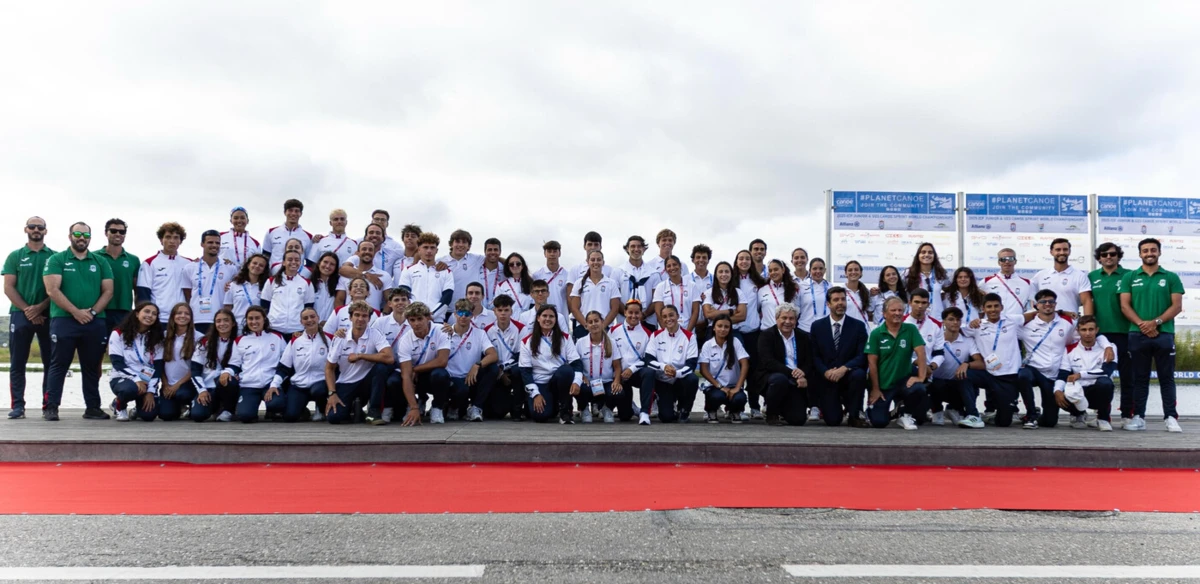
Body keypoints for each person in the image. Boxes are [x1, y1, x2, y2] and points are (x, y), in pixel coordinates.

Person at [41, 222, 114, 421]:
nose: (82, 238)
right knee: (59, 365)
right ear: (70, 236)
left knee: (91, 367)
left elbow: (108, 291)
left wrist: (92, 312)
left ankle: (92, 408)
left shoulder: (100, 261)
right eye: (78, 234)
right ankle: (51, 407)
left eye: (86, 235)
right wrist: (75, 312)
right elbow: (52, 290)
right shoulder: (57, 259)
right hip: (64, 320)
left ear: (90, 238)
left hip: (94, 320)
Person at [1118, 238, 1185, 432]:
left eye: (1153, 250)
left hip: (1164, 334)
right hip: (1137, 334)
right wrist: (1142, 324)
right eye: (1145, 250)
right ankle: (1139, 417)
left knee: (1167, 378)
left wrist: (1155, 323)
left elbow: (1177, 306)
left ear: (1159, 252)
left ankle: (1170, 417)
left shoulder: (1171, 277)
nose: (1149, 253)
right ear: (1140, 254)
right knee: (1140, 378)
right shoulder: (1129, 277)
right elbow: (1125, 306)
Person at [323, 300, 392, 425]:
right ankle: (354, 407)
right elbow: (329, 368)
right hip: (346, 382)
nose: (360, 319)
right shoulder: (340, 337)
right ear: (350, 317)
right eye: (357, 315)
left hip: (366, 382)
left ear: (369, 319)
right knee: (334, 418)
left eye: (364, 316)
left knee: (381, 368)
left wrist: (360, 356)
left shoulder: (375, 333)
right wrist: (332, 393)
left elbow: (389, 357)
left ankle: (373, 411)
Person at [1017, 289, 1077, 430]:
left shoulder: (1068, 322)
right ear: (1036, 305)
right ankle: (1031, 415)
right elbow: (1003, 324)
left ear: (1056, 304)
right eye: (1043, 301)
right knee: (1023, 375)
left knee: (1050, 422)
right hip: (1034, 369)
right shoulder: (1025, 324)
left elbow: (1088, 333)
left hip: (1055, 374)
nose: (1047, 304)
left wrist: (1107, 346)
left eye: (1051, 301)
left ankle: (1040, 416)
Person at [809, 287, 869, 428]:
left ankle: (854, 415)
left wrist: (844, 368)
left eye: (843, 299)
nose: (840, 303)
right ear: (828, 304)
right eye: (836, 300)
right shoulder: (817, 326)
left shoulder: (858, 326)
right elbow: (814, 356)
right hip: (828, 378)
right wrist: (825, 371)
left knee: (859, 374)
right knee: (833, 421)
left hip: (849, 375)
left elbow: (862, 355)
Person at [864, 297, 927, 430]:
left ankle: (905, 414)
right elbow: (872, 363)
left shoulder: (910, 329)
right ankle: (894, 412)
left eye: (900, 310)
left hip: (903, 380)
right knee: (879, 422)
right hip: (883, 384)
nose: (897, 313)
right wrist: (875, 389)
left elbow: (921, 353)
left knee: (919, 389)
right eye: (893, 310)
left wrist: (921, 377)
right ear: (884, 314)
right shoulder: (876, 333)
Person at [962, 293, 1022, 427]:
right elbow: (954, 328)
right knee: (965, 375)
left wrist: (1061, 312)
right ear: (983, 309)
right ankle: (973, 415)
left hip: (1008, 376)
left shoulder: (1013, 321)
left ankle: (995, 415)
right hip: (988, 374)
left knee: (1004, 422)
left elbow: (1034, 315)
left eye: (996, 306)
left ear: (1002, 307)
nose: (993, 309)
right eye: (989, 307)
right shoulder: (977, 326)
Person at [519, 305, 585, 424]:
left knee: (566, 371)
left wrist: (577, 382)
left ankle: (565, 411)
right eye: (544, 316)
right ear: (538, 318)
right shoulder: (526, 342)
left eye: (551, 316)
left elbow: (576, 363)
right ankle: (552, 406)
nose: (548, 319)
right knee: (540, 416)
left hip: (558, 380)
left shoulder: (565, 338)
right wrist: (536, 394)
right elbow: (525, 372)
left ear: (556, 319)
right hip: (540, 383)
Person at [220, 306, 287, 423]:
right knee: (245, 416)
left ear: (264, 319)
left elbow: (285, 363)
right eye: (250, 319)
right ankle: (248, 408)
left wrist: (275, 384)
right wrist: (226, 372)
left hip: (270, 383)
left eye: (257, 318)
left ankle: (272, 410)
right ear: (246, 321)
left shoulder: (277, 337)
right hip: (249, 385)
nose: (254, 322)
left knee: (277, 404)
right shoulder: (240, 340)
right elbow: (235, 364)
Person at [1089, 242, 1132, 421]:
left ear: (1118, 256)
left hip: (1126, 332)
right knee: (1102, 377)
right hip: (1101, 335)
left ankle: (1127, 415)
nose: (1108, 257)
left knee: (1128, 377)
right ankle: (1103, 415)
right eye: (1104, 254)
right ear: (1099, 258)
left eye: (1112, 254)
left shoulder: (1129, 275)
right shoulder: (1091, 276)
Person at [639, 305, 700, 425]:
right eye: (665, 316)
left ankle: (684, 410)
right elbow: (649, 360)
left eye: (671, 315)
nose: (668, 319)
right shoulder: (656, 335)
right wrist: (664, 367)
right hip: (663, 381)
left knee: (692, 379)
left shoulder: (689, 337)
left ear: (677, 316)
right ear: (661, 319)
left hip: (680, 379)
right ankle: (668, 404)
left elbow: (691, 364)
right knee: (666, 417)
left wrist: (677, 373)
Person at [394, 302, 452, 425]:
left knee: (440, 374)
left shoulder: (441, 330)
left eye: (420, 319)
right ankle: (414, 404)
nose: (416, 323)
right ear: (408, 321)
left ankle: (437, 408)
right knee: (395, 381)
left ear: (428, 318)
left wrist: (416, 369)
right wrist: (413, 408)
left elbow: (442, 361)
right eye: (412, 320)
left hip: (432, 373)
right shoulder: (405, 340)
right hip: (416, 377)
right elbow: (406, 375)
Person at [272, 307, 333, 423]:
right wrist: (274, 384)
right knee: (290, 417)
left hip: (320, 382)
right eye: (305, 318)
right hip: (299, 384)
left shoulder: (329, 339)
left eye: (312, 317)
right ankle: (302, 411)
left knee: (318, 390)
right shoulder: (295, 341)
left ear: (318, 318)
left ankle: (321, 409)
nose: (309, 320)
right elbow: (284, 367)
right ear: (301, 322)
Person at [444, 299, 500, 422]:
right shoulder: (445, 332)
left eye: (467, 313)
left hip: (471, 377)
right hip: (452, 377)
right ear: (455, 314)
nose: (463, 317)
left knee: (493, 369)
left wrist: (477, 365)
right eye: (460, 313)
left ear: (472, 315)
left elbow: (493, 355)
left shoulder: (479, 333)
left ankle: (476, 407)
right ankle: (452, 407)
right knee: (461, 390)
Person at [1058, 315, 1117, 432]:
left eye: (1091, 329)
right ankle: (1078, 414)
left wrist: (1080, 374)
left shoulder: (1110, 348)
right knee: (1057, 390)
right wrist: (1057, 391)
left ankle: (1103, 418)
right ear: (1078, 331)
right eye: (1084, 330)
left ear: (1097, 330)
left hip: (1097, 392)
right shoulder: (1069, 349)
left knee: (1105, 382)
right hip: (1079, 392)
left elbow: (1106, 371)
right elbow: (1063, 374)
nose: (1087, 333)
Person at [930, 307, 987, 429]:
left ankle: (954, 409)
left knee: (971, 385)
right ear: (943, 322)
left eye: (958, 320)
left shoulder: (968, 341)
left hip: (957, 383)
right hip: (937, 384)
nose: (955, 322)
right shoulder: (936, 339)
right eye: (951, 319)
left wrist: (967, 364)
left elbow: (981, 363)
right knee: (935, 384)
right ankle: (937, 410)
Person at [106, 302, 163, 422]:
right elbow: (117, 363)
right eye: (146, 311)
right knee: (129, 389)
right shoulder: (118, 333)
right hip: (123, 378)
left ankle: (137, 409)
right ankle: (119, 406)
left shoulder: (157, 337)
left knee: (149, 415)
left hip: (146, 379)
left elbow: (158, 367)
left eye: (154, 314)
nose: (150, 315)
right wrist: (136, 379)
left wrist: (151, 391)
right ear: (137, 314)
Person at [758, 303, 813, 426]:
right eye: (784, 318)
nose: (787, 322)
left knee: (798, 420)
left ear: (796, 320)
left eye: (791, 318)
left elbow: (809, 360)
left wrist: (803, 372)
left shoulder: (803, 336)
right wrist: (794, 374)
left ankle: (783, 409)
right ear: (776, 318)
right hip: (774, 376)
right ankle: (772, 413)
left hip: (797, 379)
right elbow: (768, 362)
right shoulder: (767, 335)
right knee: (779, 379)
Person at [188, 308, 237, 422]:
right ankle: (215, 407)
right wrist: (202, 390)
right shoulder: (204, 342)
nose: (222, 324)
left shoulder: (239, 341)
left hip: (227, 385)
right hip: (208, 387)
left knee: (229, 381)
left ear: (233, 323)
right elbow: (195, 370)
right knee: (198, 415)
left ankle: (229, 409)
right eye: (218, 321)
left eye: (226, 320)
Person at [184, 230, 237, 335]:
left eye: (217, 243)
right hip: (196, 318)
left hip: (220, 319)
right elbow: (187, 294)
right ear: (202, 244)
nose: (214, 245)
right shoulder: (190, 267)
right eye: (210, 242)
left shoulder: (230, 267)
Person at [137, 222, 190, 325]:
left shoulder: (189, 264)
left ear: (180, 241)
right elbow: (143, 293)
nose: (172, 241)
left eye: (176, 238)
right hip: (159, 319)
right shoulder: (149, 263)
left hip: (181, 318)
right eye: (168, 237)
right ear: (161, 240)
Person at [698, 314, 749, 423]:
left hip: (733, 385)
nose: (723, 329)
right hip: (715, 386)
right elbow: (703, 369)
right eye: (719, 326)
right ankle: (711, 410)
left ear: (730, 329)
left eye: (726, 327)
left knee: (740, 398)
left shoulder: (735, 342)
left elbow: (745, 364)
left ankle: (733, 411)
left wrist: (738, 387)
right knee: (717, 397)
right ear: (714, 328)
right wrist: (719, 386)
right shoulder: (708, 345)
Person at [733, 250, 765, 419]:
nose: (744, 261)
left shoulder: (758, 282)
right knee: (736, 370)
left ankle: (754, 406)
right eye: (741, 258)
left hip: (753, 332)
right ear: (736, 261)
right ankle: (735, 408)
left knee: (753, 371)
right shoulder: (731, 280)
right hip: (735, 331)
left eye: (747, 259)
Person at [156, 303, 202, 421]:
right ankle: (180, 408)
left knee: (182, 394)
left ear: (191, 317)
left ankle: (191, 404)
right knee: (166, 415)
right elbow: (160, 364)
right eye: (179, 313)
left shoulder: (198, 337)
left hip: (188, 383)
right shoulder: (164, 336)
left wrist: (177, 385)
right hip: (168, 384)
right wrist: (165, 384)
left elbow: (196, 368)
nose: (183, 316)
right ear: (173, 316)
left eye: (187, 314)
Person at [483, 294, 526, 420]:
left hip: (513, 369)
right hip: (496, 371)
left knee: (518, 371)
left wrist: (505, 369)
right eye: (500, 310)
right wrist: (500, 373)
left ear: (511, 311)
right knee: (496, 413)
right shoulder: (487, 330)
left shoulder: (520, 328)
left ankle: (517, 409)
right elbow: (486, 354)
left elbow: (521, 354)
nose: (503, 314)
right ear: (494, 311)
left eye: (506, 310)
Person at [397, 232, 455, 323]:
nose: (429, 251)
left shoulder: (446, 272)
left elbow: (447, 297)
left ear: (436, 250)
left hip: (436, 320)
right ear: (419, 249)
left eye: (432, 247)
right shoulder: (408, 270)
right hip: (414, 319)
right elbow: (404, 295)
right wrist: (418, 314)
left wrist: (431, 314)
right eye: (425, 247)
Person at [576, 310, 622, 423]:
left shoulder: (611, 342)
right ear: (586, 326)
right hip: (588, 383)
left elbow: (617, 366)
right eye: (590, 322)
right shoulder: (580, 343)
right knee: (578, 387)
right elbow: (576, 365)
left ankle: (607, 408)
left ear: (602, 322)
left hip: (605, 382)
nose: (594, 324)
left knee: (619, 392)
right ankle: (584, 408)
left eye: (596, 321)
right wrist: (582, 377)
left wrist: (617, 381)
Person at [611, 300, 653, 422]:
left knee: (649, 373)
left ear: (641, 314)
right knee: (625, 416)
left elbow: (647, 358)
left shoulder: (647, 333)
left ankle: (644, 412)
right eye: (630, 312)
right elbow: (608, 353)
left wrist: (632, 369)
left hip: (636, 373)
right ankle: (630, 408)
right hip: (619, 374)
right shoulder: (614, 330)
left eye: (637, 313)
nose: (633, 316)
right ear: (625, 312)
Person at [1033, 238, 1093, 317]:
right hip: (1045, 322)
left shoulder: (1080, 275)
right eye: (1058, 250)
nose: (1062, 252)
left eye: (1065, 249)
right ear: (1051, 252)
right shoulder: (1040, 275)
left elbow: (1086, 302)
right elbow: (1033, 302)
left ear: (1069, 252)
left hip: (1070, 322)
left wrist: (1088, 321)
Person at [568, 250, 621, 339]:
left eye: (598, 260)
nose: (595, 262)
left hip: (605, 328)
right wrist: (587, 325)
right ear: (588, 262)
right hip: (583, 328)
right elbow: (574, 308)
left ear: (603, 262)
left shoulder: (611, 283)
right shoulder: (579, 283)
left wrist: (603, 325)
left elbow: (615, 309)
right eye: (592, 260)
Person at [97, 218, 139, 332]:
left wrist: (137, 312)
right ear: (106, 233)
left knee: (122, 343)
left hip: (124, 311)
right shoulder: (94, 257)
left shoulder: (133, 260)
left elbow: (137, 289)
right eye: (113, 231)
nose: (118, 234)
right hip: (99, 311)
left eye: (122, 232)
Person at [261, 249, 315, 336]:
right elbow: (264, 305)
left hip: (297, 329)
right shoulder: (271, 281)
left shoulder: (307, 283)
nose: (293, 262)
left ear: (300, 262)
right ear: (283, 262)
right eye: (290, 259)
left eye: (297, 260)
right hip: (274, 328)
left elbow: (308, 307)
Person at [613, 235, 659, 324]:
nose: (636, 249)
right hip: (624, 322)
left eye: (639, 246)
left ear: (644, 249)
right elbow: (615, 299)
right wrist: (629, 315)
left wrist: (644, 315)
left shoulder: (653, 273)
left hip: (648, 322)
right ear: (627, 249)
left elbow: (656, 299)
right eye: (633, 246)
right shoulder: (618, 272)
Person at [335, 240, 391, 311]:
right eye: (364, 249)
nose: (367, 252)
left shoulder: (384, 275)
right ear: (358, 253)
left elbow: (389, 300)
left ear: (374, 253)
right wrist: (340, 315)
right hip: (349, 316)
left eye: (370, 250)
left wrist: (383, 315)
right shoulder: (346, 274)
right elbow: (339, 300)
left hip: (374, 317)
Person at [651, 255, 701, 332]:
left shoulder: (692, 286)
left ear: (680, 266)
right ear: (665, 269)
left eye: (674, 264)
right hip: (666, 332)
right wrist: (668, 333)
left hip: (688, 330)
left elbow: (695, 311)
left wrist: (687, 333)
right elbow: (658, 313)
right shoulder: (660, 287)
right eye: (669, 266)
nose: (672, 268)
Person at [902, 242, 952, 318]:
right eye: (923, 252)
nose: (927, 255)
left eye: (930, 252)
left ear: (934, 256)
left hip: (936, 317)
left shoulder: (941, 274)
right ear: (918, 255)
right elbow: (897, 290)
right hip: (914, 317)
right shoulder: (908, 273)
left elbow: (951, 290)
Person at [982, 248, 1033, 321]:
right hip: (992, 324)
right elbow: (977, 305)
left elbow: (1034, 307)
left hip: (1016, 325)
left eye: (1010, 259)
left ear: (1015, 261)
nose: (1007, 262)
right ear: (999, 262)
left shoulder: (1027, 283)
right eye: (1003, 259)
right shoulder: (986, 282)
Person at [702, 261, 747, 342]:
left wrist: (716, 314)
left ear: (731, 274)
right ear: (716, 275)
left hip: (733, 331)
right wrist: (730, 311)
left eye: (727, 272)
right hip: (713, 331)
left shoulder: (738, 292)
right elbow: (708, 314)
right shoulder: (708, 293)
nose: (724, 274)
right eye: (720, 272)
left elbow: (742, 316)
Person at [439, 229, 486, 304]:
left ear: (469, 246)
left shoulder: (476, 259)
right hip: (447, 307)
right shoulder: (440, 261)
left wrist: (506, 263)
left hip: (469, 307)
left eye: (464, 242)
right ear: (451, 244)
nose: (460, 245)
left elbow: (494, 257)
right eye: (457, 241)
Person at [261, 199, 312, 265]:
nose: (293, 213)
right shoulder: (271, 232)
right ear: (285, 212)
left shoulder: (308, 237)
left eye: (296, 211)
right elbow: (265, 256)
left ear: (301, 214)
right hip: (275, 271)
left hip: (297, 271)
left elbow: (309, 262)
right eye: (290, 210)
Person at [564, 231, 612, 302]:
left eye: (596, 245)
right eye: (590, 244)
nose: (593, 247)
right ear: (584, 246)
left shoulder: (610, 270)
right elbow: (570, 296)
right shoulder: (575, 269)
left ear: (601, 247)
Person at [224, 253, 268, 328]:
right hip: (237, 326)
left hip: (257, 326)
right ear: (248, 265)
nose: (257, 266)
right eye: (254, 263)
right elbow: (228, 307)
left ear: (264, 270)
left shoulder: (267, 287)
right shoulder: (233, 285)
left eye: (261, 265)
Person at [758, 259, 798, 332]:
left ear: (783, 270)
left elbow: (797, 311)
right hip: (767, 332)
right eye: (770, 270)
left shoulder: (793, 289)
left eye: (776, 269)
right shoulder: (762, 290)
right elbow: (757, 310)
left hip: (786, 332)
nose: (773, 272)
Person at [533, 240, 570, 316]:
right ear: (545, 254)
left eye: (555, 251)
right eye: (549, 251)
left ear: (559, 253)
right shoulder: (537, 275)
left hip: (562, 316)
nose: (552, 254)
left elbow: (570, 300)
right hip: (543, 317)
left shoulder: (567, 275)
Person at [798, 257, 832, 334]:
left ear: (825, 270)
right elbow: (796, 308)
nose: (818, 271)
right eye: (815, 269)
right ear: (810, 270)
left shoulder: (830, 286)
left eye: (821, 268)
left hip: (826, 329)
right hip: (805, 329)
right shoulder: (801, 286)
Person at [367, 210, 407, 274]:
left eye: (383, 220)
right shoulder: (359, 242)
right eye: (377, 219)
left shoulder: (395, 246)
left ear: (387, 224)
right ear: (372, 221)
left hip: (385, 279)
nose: (379, 221)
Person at [310, 252, 341, 324]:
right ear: (319, 263)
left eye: (332, 264)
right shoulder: (309, 283)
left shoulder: (339, 284)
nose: (327, 266)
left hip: (331, 326)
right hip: (312, 326)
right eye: (325, 262)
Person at [842, 260, 872, 325]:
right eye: (850, 270)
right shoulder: (841, 291)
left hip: (862, 329)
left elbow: (869, 311)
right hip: (846, 327)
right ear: (846, 273)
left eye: (856, 270)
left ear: (861, 273)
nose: (853, 272)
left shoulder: (866, 292)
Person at [478, 238, 503, 307]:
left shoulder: (506, 270)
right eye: (489, 250)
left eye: (495, 250)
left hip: (499, 310)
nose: (493, 252)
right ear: (484, 251)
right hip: (479, 310)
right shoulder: (477, 267)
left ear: (500, 252)